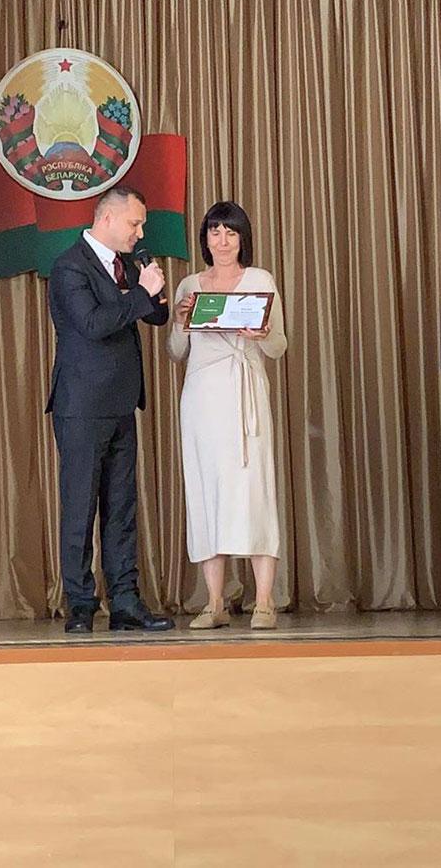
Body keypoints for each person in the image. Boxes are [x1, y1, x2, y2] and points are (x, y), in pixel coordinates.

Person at [46, 186, 174, 633]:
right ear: (107, 219)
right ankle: (81, 604)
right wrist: (140, 294)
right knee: (80, 506)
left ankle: (125, 601)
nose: (140, 233)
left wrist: (153, 291)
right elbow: (93, 323)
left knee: (121, 508)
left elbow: (155, 316)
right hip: (82, 404)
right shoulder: (69, 266)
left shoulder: (126, 264)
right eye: (134, 224)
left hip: (121, 401)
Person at [167, 201, 287, 630]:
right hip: (202, 400)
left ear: (242, 239)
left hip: (245, 394)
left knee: (255, 491)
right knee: (206, 492)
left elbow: (278, 346)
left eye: (230, 233)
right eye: (215, 232)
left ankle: (264, 601)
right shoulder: (189, 285)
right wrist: (179, 321)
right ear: (205, 238)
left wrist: (263, 334)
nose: (222, 241)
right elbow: (175, 352)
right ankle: (214, 601)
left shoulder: (260, 280)